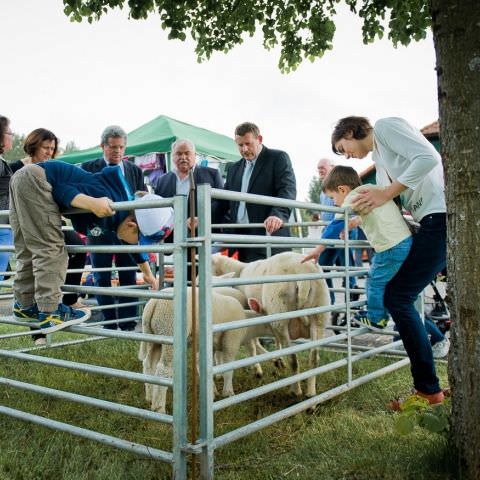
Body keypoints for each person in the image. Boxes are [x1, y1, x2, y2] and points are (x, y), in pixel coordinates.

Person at [331, 116, 447, 406]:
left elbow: (428, 157)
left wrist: (386, 193)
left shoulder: (385, 127)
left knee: (398, 297)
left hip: (441, 218)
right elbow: (390, 203)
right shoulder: (381, 166)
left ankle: (428, 390)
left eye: (342, 147)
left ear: (350, 131)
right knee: (399, 297)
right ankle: (429, 387)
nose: (346, 155)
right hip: (427, 222)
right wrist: (362, 215)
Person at [10, 160, 166, 335]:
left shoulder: (121, 218)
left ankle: (24, 305)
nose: (136, 244)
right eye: (139, 240)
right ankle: (50, 311)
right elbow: (62, 190)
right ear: (132, 225)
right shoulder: (104, 195)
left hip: (25, 178)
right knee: (51, 250)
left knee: (28, 249)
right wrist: (91, 202)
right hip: (37, 179)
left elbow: (127, 243)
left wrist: (147, 273)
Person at [303, 165, 412, 332]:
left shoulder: (351, 199)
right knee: (392, 288)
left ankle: (376, 318)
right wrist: (354, 222)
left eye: (333, 198)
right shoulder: (371, 190)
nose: (334, 203)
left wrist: (318, 249)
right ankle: (391, 315)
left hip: (390, 247)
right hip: (404, 241)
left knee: (374, 281)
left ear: (342, 189)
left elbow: (334, 226)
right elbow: (377, 213)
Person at [81, 126, 145, 331]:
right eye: (113, 147)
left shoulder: (134, 170)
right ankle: (109, 322)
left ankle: (127, 323)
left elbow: (140, 199)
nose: (117, 151)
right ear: (103, 146)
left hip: (127, 230)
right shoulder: (88, 167)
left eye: (121, 147)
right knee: (102, 277)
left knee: (128, 275)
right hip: (98, 232)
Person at [212, 122, 296, 262]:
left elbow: (287, 189)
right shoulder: (234, 168)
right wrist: (201, 218)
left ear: (260, 139)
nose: (244, 149)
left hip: (267, 236)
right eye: (240, 145)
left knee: (267, 283)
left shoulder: (277, 158)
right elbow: (223, 202)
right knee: (247, 283)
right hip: (242, 241)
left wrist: (278, 215)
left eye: (248, 143)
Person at [316, 158, 358, 306]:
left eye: (323, 167)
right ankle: (329, 298)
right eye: (318, 169)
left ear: (332, 168)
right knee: (323, 263)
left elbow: (344, 211)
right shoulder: (323, 191)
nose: (320, 170)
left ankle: (351, 293)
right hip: (329, 229)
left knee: (346, 263)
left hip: (343, 227)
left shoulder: (342, 185)